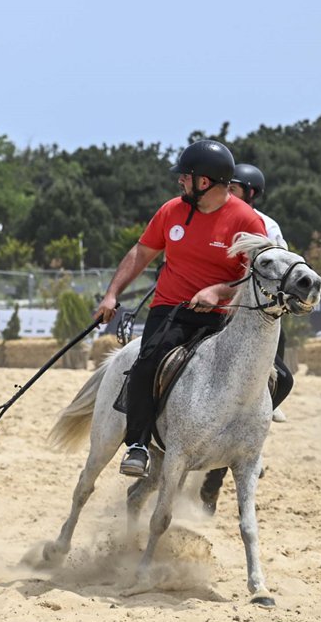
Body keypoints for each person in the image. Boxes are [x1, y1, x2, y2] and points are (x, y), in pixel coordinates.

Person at [91, 140, 266, 478]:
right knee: (146, 363)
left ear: (205, 182)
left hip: (223, 318)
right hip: (170, 310)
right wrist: (111, 294)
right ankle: (138, 445)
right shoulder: (171, 210)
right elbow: (141, 253)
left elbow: (258, 277)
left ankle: (248, 448)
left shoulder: (247, 221)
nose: (180, 181)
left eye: (185, 176)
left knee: (266, 377)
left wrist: (218, 291)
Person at [200, 162, 293, 510]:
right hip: (213, 307)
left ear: (250, 193)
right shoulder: (211, 216)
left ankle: (260, 417)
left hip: (249, 313)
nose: (228, 192)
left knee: (283, 374)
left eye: (234, 188)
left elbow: (278, 270)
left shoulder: (267, 225)